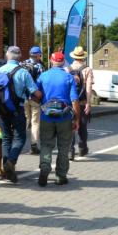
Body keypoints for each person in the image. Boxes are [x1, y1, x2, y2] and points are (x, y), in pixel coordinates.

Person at [0, 46, 41, 183]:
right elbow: (35, 92)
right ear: (19, 57)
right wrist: (43, 97)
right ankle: (10, 162)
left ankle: (6, 170)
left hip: (1, 110)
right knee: (20, 137)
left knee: (7, 137)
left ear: (7, 56)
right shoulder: (23, 72)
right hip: (17, 109)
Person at [36, 52, 80, 186]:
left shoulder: (43, 76)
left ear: (51, 61)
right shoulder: (69, 77)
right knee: (63, 147)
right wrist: (76, 119)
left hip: (46, 116)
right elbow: (74, 100)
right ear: (63, 62)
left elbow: (36, 95)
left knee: (46, 144)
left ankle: (44, 167)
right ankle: (60, 176)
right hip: (64, 117)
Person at [68, 46, 93, 159]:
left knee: (71, 126)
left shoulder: (68, 68)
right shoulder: (87, 69)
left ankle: (70, 151)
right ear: (83, 56)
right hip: (82, 102)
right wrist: (88, 103)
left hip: (70, 102)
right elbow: (88, 88)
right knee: (82, 126)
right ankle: (82, 148)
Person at [23, 46, 45, 154]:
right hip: (35, 97)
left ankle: (20, 141)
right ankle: (34, 145)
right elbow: (42, 82)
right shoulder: (39, 66)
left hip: (23, 97)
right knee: (35, 122)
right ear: (37, 55)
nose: (40, 57)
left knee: (26, 120)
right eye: (40, 55)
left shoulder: (22, 64)